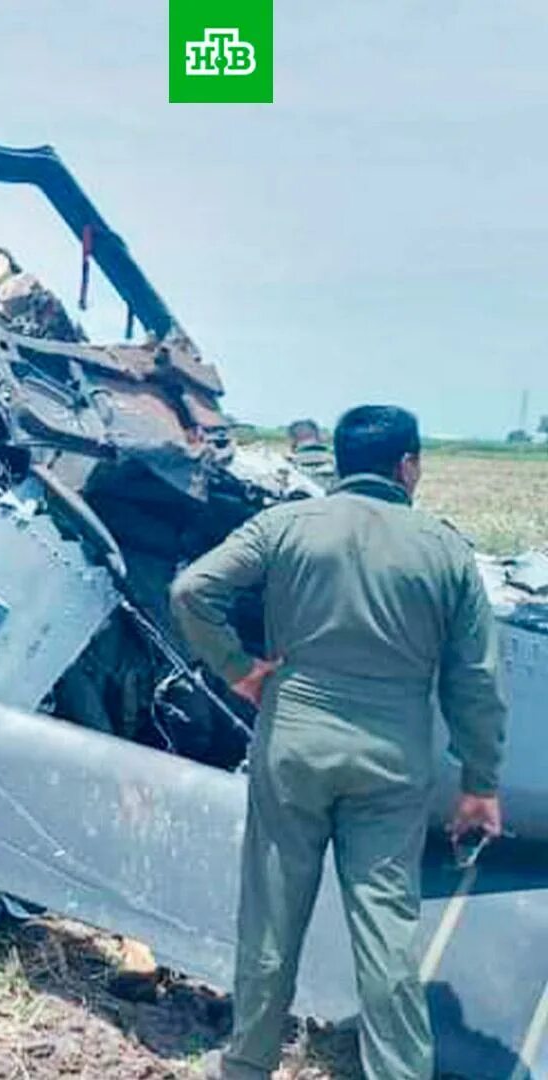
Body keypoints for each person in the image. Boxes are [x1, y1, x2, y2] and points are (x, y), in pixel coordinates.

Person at [170, 405, 507, 1080]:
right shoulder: (445, 550)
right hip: (392, 757)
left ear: (342, 461)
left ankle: (248, 1063)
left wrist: (239, 669)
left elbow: (191, 589)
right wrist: (480, 782)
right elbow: (475, 680)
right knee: (386, 926)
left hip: (293, 739)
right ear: (407, 466)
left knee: (271, 910)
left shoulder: (286, 525)